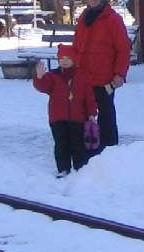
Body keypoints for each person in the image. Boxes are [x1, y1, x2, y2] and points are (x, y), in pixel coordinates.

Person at [72, 0, 130, 149]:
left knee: (106, 114)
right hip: (84, 77)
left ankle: (110, 148)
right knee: (83, 113)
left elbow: (123, 49)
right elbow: (77, 46)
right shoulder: (84, 17)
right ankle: (86, 146)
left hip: (105, 78)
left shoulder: (113, 19)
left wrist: (119, 73)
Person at [33, 44, 97, 176]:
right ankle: (63, 168)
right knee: (61, 144)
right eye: (62, 58)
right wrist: (39, 78)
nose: (65, 60)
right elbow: (43, 87)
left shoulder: (82, 77)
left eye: (68, 58)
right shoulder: (52, 76)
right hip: (58, 118)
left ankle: (80, 167)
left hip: (78, 118)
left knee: (77, 144)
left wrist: (91, 113)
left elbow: (90, 98)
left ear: (74, 59)